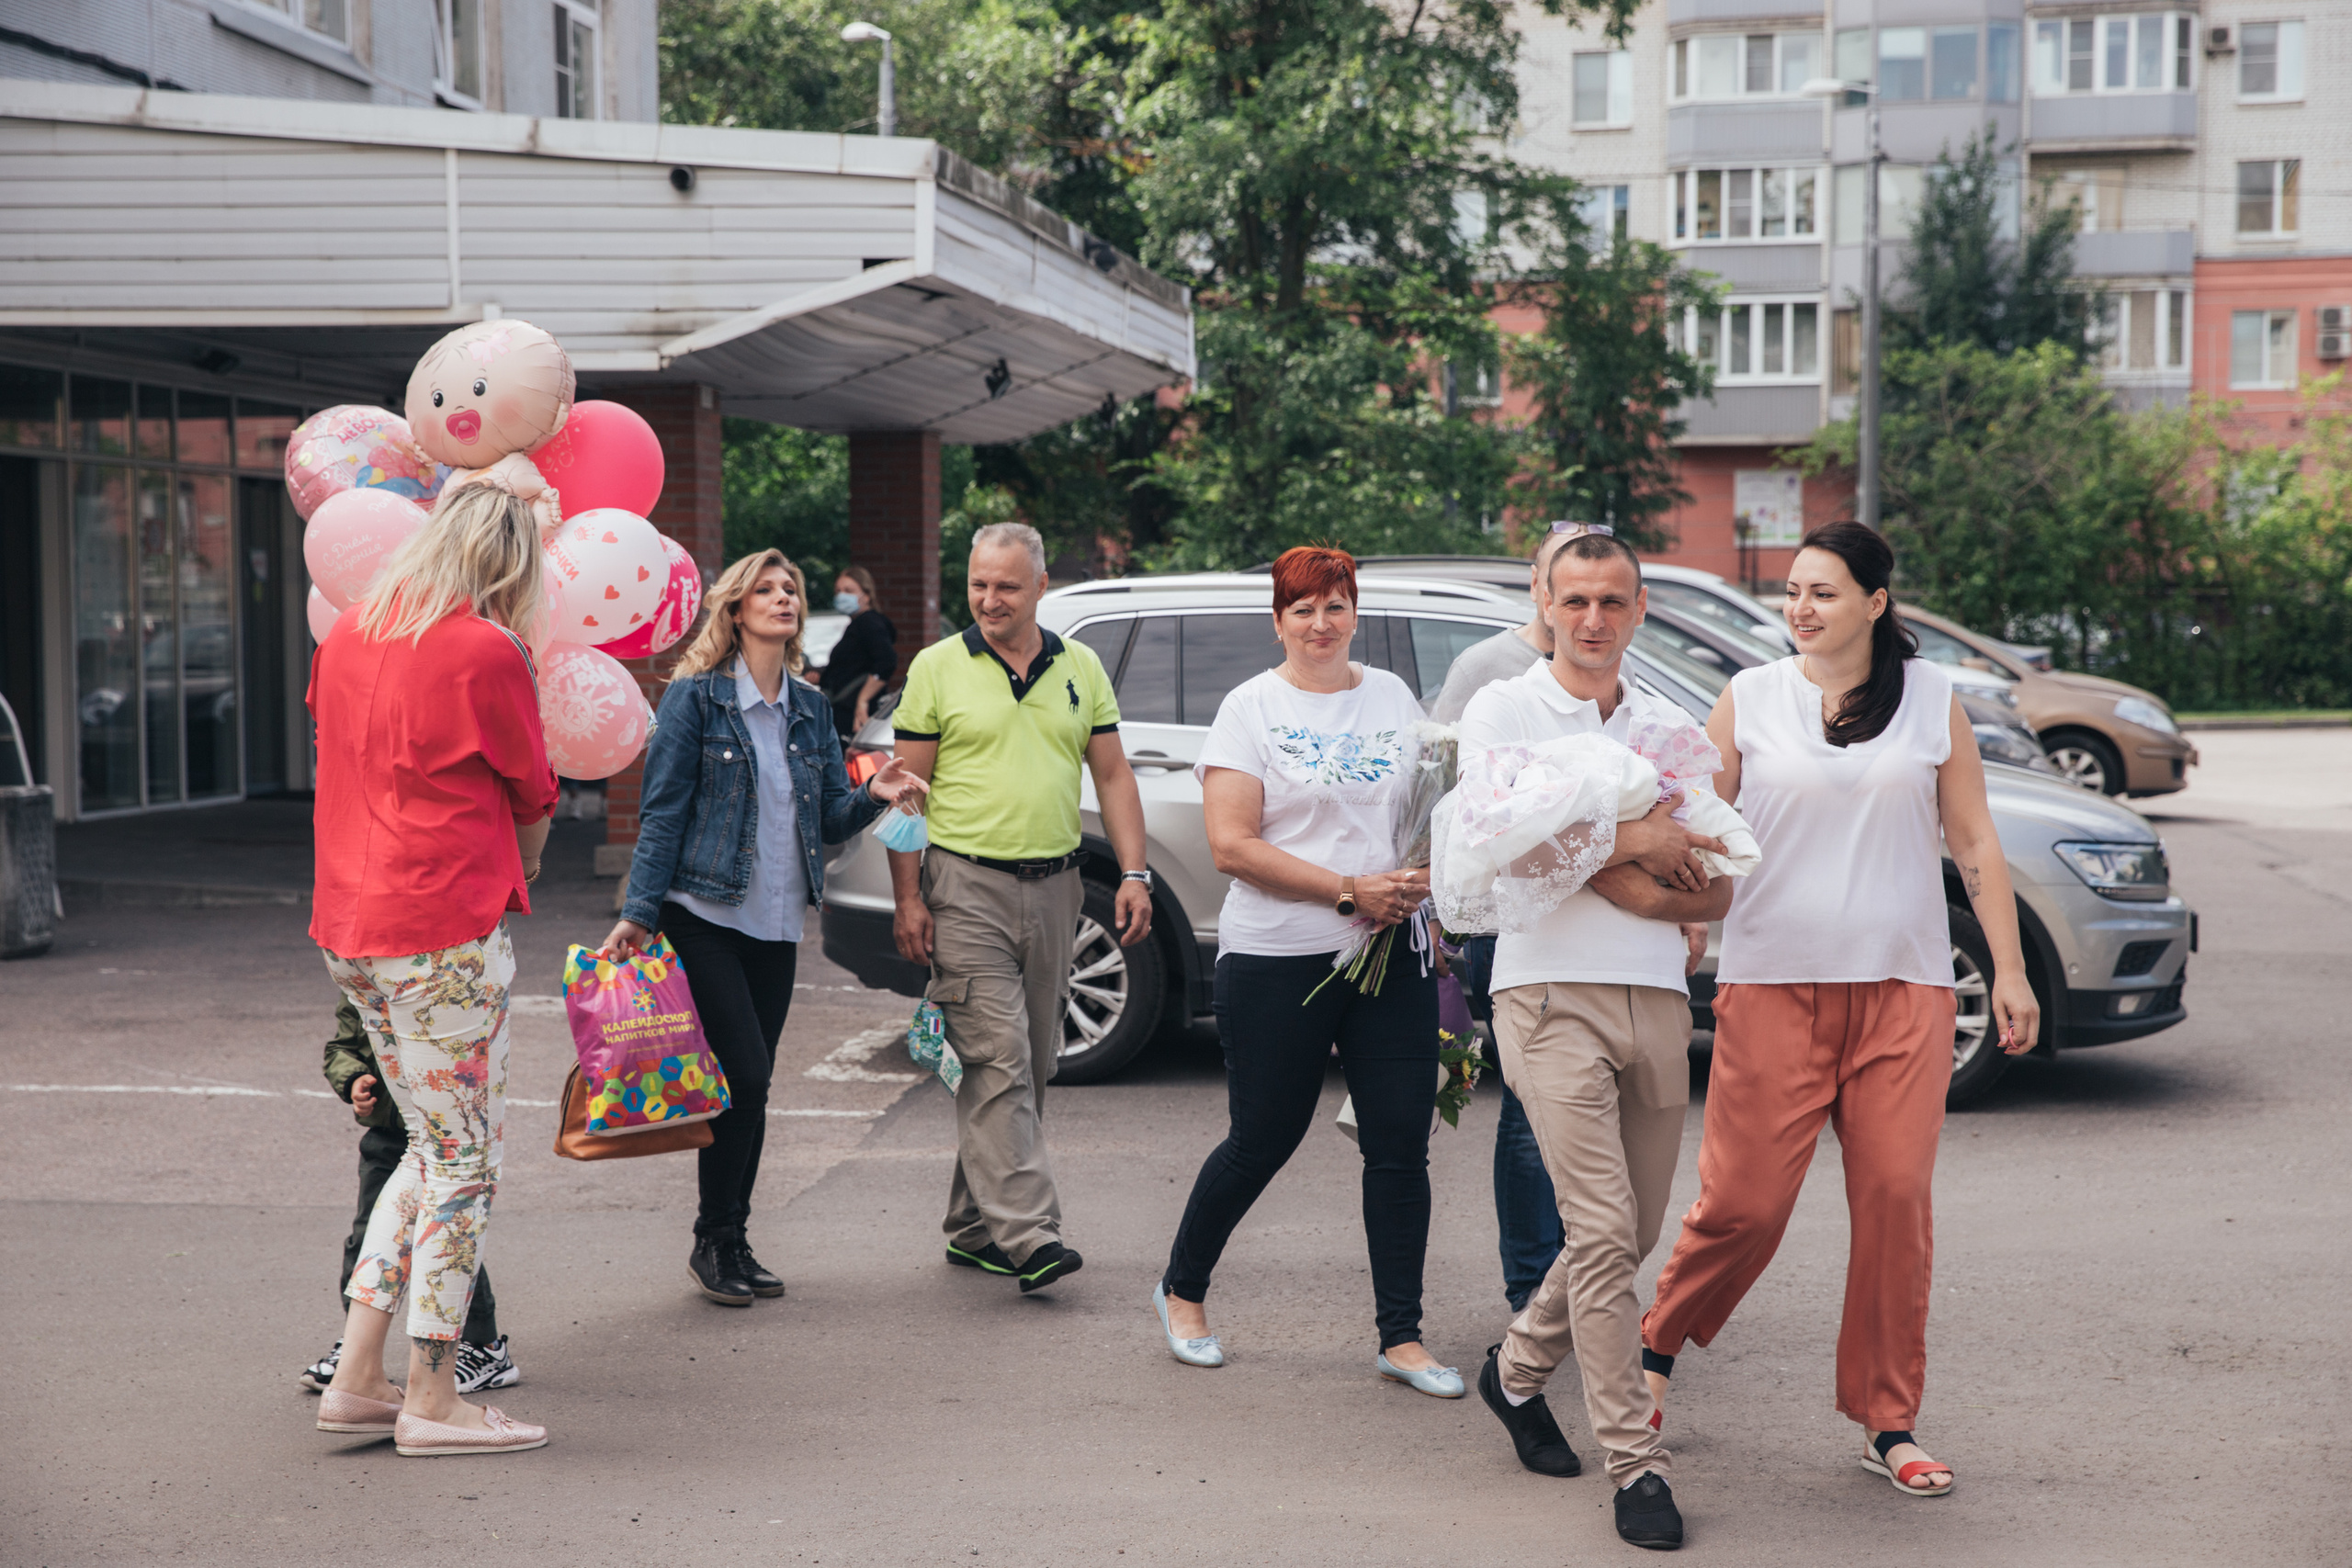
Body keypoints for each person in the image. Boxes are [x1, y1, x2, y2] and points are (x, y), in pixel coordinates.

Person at [1641, 522, 2040, 1501]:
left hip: (1905, 988)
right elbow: (1700, 821)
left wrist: (2011, 970)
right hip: (1774, 982)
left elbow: (1975, 845)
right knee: (1743, 1205)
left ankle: (1887, 1419)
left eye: (1822, 592)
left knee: (1895, 1204)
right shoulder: (1750, 698)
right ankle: (1650, 1352)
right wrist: (1680, 910)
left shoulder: (1932, 702)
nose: (1800, 610)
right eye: (1790, 592)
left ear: (1874, 602)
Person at [1460, 529, 1733, 1551]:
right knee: (1605, 1228)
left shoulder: (1665, 725)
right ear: (1543, 598)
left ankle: (1517, 1368)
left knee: (1633, 1226)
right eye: (1573, 599)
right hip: (1545, 994)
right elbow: (1501, 849)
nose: (1591, 620)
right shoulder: (1505, 709)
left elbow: (1719, 879)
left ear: (1639, 610)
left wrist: (1622, 867)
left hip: (1657, 996)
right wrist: (1634, 845)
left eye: (1611, 602)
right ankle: (1637, 1466)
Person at [1154, 546, 1463, 1394]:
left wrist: (1423, 882)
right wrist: (1347, 889)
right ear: (1279, 620)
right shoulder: (1249, 707)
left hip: (1390, 952)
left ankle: (1401, 1336)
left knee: (1401, 1142)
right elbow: (1232, 845)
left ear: (1355, 610)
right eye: (1303, 610)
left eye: (1335, 606)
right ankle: (1182, 1289)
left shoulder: (1393, 696)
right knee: (1264, 1139)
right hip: (1276, 957)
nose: (1321, 624)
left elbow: (1423, 813)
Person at [603, 549, 926, 1306]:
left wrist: (873, 790)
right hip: (704, 912)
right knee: (741, 1073)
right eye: (767, 589)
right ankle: (713, 1236)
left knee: (753, 1087)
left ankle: (730, 1237)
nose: (784, 598)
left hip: (776, 923)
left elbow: (825, 820)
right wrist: (639, 912)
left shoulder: (810, 709)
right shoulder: (696, 700)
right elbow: (662, 813)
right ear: (735, 609)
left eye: (792, 590)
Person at [309, 482, 558, 1457]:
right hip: (441, 925)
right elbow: (532, 785)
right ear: (507, 564)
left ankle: (360, 1373)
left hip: (353, 925)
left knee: (426, 1148)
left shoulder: (351, 636)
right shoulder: (484, 648)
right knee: (466, 1166)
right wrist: (524, 863)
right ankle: (432, 1394)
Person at [887, 522, 1150, 1294]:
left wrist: (1134, 872)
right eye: (978, 584)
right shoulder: (937, 668)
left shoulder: (1082, 666)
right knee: (998, 1059)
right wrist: (908, 896)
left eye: (1006, 585)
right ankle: (1032, 1234)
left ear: (1040, 588)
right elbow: (907, 791)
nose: (989, 599)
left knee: (1030, 1065)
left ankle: (974, 1226)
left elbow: (1113, 775)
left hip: (1058, 886)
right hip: (965, 887)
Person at [300, 1000, 515, 1395]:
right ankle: (358, 1349)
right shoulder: (360, 988)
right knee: (368, 1238)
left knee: (446, 1235)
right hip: (388, 1137)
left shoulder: (430, 982)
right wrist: (353, 1080)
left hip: (444, 1133)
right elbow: (341, 1048)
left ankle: (483, 1345)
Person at [820, 565, 898, 740]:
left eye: (849, 590)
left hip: (854, 713)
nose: (841, 595)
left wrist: (862, 701)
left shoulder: (869, 623)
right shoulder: (858, 624)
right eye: (838, 591)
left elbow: (886, 661)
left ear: (866, 595)